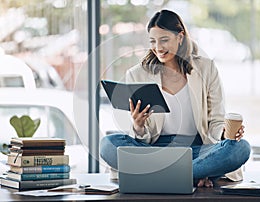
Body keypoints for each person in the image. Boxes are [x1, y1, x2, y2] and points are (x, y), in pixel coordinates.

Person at [100, 9, 251, 187]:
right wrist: (138, 125)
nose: (158, 48)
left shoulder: (205, 68)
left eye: (164, 40)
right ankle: (193, 174)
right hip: (154, 151)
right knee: (108, 144)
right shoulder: (137, 74)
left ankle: (161, 174)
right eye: (153, 41)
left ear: (180, 37)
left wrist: (226, 134)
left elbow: (216, 120)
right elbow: (140, 137)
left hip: (197, 150)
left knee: (241, 148)